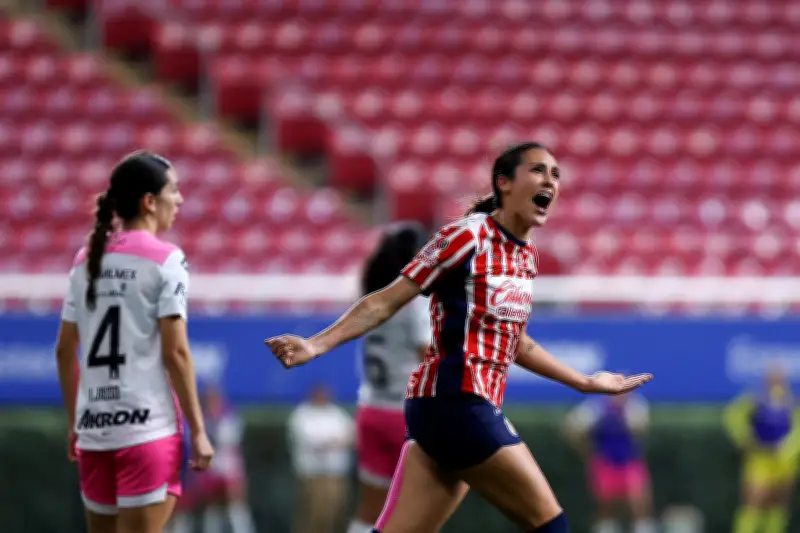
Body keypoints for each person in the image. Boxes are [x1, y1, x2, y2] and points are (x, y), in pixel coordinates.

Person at [266, 142, 653, 533]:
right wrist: (315, 344)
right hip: (457, 403)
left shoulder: (526, 255)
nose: (550, 181)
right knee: (552, 526)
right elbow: (385, 301)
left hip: (446, 409)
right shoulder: (466, 237)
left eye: (555, 174)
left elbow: (516, 342)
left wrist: (584, 382)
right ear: (503, 183)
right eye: (538, 171)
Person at [55, 151, 214, 533]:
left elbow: (64, 350)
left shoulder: (84, 259)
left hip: (94, 429)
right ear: (149, 201)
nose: (179, 200)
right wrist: (199, 429)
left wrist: (75, 423)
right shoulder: (167, 260)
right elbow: (175, 352)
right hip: (147, 430)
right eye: (173, 191)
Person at [348, 223, 431, 533]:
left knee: (370, 508)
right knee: (419, 509)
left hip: (370, 409)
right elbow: (428, 357)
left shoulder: (369, 300)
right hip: (405, 414)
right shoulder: (416, 304)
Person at [169, 385, 256, 533]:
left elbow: (232, 447)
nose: (210, 403)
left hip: (228, 470)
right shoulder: (200, 421)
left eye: (213, 399)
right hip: (210, 471)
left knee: (235, 508)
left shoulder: (229, 419)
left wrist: (240, 476)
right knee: (211, 510)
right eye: (207, 399)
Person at [564, 393, 655, 533]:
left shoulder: (635, 406)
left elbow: (640, 429)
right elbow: (572, 429)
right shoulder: (594, 408)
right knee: (606, 507)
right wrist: (587, 451)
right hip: (604, 463)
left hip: (629, 462)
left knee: (638, 503)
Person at [724, 368, 800, 533]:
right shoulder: (755, 399)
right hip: (759, 459)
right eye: (773, 378)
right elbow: (733, 417)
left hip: (784, 462)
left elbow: (797, 431)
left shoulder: (792, 402)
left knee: (779, 504)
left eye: (780, 379)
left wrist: (788, 448)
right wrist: (745, 438)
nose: (777, 382)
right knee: (753, 502)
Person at [287, 384, 355, 533]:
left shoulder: (336, 413)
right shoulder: (302, 414)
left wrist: (334, 442)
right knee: (314, 515)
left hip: (336, 476)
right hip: (313, 476)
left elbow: (351, 437)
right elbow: (313, 441)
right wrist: (334, 442)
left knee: (336, 515)